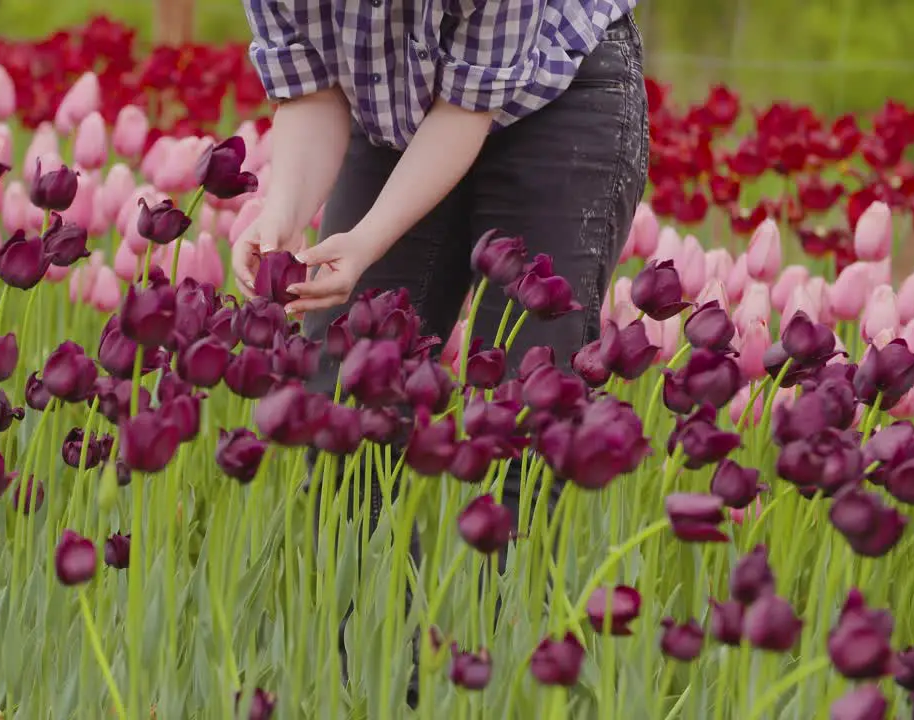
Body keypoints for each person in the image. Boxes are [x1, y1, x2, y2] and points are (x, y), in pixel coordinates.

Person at [233, 0, 648, 706]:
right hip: (393, 109)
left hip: (558, 97)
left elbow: (466, 110)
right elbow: (310, 89)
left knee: (521, 420)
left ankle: (495, 693)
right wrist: (280, 213)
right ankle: (372, 695)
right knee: (348, 422)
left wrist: (367, 242)